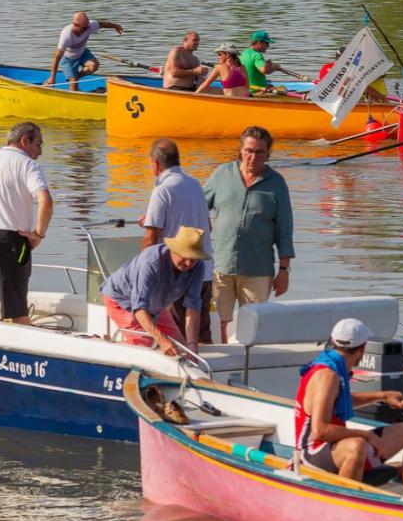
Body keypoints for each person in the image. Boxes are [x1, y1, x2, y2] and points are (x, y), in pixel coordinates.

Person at [295, 318, 403, 496]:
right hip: (311, 454)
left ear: (333, 342)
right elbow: (321, 431)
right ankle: (345, 506)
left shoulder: (333, 365)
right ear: (362, 349)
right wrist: (366, 435)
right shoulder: (328, 376)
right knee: (357, 446)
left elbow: (339, 400)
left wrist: (383, 396)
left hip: (333, 448)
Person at [204, 126, 294, 344]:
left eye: (260, 152)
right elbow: (198, 207)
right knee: (219, 321)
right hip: (221, 266)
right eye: (249, 151)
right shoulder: (222, 174)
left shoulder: (277, 183)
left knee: (253, 324)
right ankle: (223, 365)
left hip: (258, 269)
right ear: (240, 149)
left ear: (268, 153)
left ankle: (248, 364)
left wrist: (283, 270)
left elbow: (285, 230)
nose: (253, 157)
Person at [0, 122, 52, 324]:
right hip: (9, 240)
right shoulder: (27, 165)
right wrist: (39, 234)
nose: (41, 151)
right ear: (25, 141)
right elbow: (46, 201)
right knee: (16, 311)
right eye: (39, 144)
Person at [140, 140, 214, 345]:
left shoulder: (162, 190)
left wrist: (142, 268)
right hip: (204, 269)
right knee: (201, 332)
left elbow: (151, 237)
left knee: (177, 335)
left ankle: (187, 373)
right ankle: (211, 371)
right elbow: (208, 226)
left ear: (155, 163)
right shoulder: (195, 185)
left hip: (179, 273)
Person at [101, 226, 209, 357]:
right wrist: (162, 341)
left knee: (181, 348)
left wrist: (192, 345)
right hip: (122, 299)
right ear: (173, 250)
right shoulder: (151, 261)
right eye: (185, 256)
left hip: (156, 304)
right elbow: (139, 308)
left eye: (193, 259)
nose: (188, 263)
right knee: (146, 346)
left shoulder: (198, 267)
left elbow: (193, 308)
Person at [46, 11, 124, 90]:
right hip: (68, 58)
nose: (86, 29)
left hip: (82, 52)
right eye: (84, 28)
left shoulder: (89, 25)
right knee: (73, 86)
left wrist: (116, 26)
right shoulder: (66, 35)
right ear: (75, 25)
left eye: (87, 27)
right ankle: (72, 84)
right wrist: (52, 78)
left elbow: (103, 24)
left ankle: (76, 77)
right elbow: (57, 57)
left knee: (93, 66)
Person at [317, 46, 387, 102]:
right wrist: (382, 98)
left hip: (328, 97)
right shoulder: (345, 70)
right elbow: (360, 86)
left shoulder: (326, 67)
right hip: (331, 100)